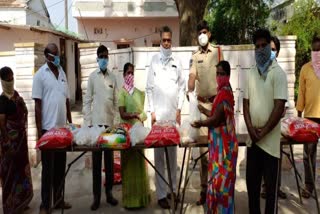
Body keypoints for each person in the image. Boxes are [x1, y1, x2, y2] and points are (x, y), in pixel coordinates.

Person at [243, 29, 288, 214]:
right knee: (252, 189)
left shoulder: (278, 73)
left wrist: (263, 132)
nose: (260, 49)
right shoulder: (251, 72)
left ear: (270, 47)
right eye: (257, 46)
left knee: (270, 192)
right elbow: (245, 104)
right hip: (253, 141)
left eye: (264, 46)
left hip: (270, 144)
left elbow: (279, 107)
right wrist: (252, 131)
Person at [146, 25, 186, 209]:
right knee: (159, 158)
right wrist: (152, 111)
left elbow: (182, 87)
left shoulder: (177, 61)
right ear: (160, 40)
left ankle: (173, 191)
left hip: (172, 117)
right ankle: (161, 194)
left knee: (172, 157)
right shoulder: (154, 61)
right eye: (164, 40)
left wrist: (179, 109)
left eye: (169, 39)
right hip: (158, 117)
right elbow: (149, 88)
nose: (167, 42)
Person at [191, 61, 238, 213]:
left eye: (222, 73)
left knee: (221, 182)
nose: (219, 76)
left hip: (223, 147)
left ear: (228, 75)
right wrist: (202, 109)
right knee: (220, 181)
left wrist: (201, 123)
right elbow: (216, 113)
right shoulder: (223, 91)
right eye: (217, 73)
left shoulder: (224, 93)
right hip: (221, 144)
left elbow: (217, 119)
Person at [32, 43, 73, 214]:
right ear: (47, 56)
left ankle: (58, 199)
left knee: (60, 168)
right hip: (48, 131)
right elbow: (37, 105)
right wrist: (40, 133)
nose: (58, 57)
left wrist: (71, 123)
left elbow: (67, 100)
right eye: (55, 55)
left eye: (58, 54)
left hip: (62, 129)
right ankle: (45, 205)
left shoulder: (62, 72)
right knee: (48, 170)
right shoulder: (40, 75)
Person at [187, 20, 223, 205]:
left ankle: (216, 191)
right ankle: (204, 191)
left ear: (209, 34)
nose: (202, 35)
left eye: (204, 32)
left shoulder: (217, 51)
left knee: (216, 152)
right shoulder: (194, 56)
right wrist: (190, 86)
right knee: (203, 154)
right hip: (201, 109)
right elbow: (192, 75)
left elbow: (224, 76)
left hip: (216, 107)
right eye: (199, 32)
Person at [83, 44, 118, 211]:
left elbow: (117, 102)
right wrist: (88, 124)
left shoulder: (113, 77)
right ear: (97, 59)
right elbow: (87, 101)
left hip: (110, 127)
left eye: (106, 56)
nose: (104, 59)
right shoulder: (92, 77)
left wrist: (117, 124)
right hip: (96, 126)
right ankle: (96, 197)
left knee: (109, 163)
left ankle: (109, 194)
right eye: (101, 57)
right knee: (96, 164)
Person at [0, 66, 33, 214]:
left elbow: (24, 112)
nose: (11, 81)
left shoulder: (17, 95)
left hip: (21, 143)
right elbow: (2, 124)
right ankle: (10, 206)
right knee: (10, 174)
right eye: (8, 79)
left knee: (21, 171)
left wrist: (22, 105)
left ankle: (23, 200)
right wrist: (7, 142)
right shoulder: (2, 100)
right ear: (2, 81)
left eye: (12, 78)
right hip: (10, 145)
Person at [118, 62, 150, 209]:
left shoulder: (138, 93)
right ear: (124, 75)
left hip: (138, 132)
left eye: (132, 73)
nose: (130, 75)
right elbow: (122, 114)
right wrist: (134, 115)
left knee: (139, 163)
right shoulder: (122, 93)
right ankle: (130, 201)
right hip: (127, 133)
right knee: (128, 165)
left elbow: (143, 113)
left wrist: (140, 116)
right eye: (128, 73)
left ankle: (141, 199)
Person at [260, 36, 287, 199]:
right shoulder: (259, 72)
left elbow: (284, 104)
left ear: (278, 52)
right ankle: (265, 187)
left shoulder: (280, 74)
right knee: (263, 158)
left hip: (274, 125)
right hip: (262, 126)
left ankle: (276, 187)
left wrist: (276, 113)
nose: (270, 52)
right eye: (268, 49)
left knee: (275, 158)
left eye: (273, 49)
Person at [296, 36, 320, 198]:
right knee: (308, 154)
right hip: (310, 117)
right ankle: (308, 185)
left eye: (319, 50)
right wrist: (299, 113)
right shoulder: (306, 68)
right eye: (314, 50)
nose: (317, 53)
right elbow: (302, 92)